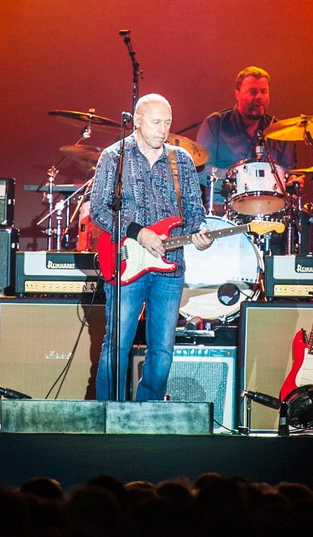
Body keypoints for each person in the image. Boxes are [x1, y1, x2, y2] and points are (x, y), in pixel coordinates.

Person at [89, 93, 212, 401]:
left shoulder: (181, 159)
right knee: (117, 342)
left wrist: (201, 232)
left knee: (162, 348)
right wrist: (138, 233)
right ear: (137, 121)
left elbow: (194, 212)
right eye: (156, 122)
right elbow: (99, 210)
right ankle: (108, 413)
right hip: (127, 261)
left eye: (167, 123)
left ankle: (149, 412)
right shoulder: (114, 157)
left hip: (170, 265)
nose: (163, 130)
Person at [196, 66, 298, 220]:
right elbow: (201, 171)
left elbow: (289, 173)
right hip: (223, 212)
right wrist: (240, 179)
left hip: (270, 214)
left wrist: (292, 181)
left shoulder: (280, 131)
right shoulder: (215, 124)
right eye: (252, 92)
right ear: (237, 94)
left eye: (263, 92)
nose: (259, 97)